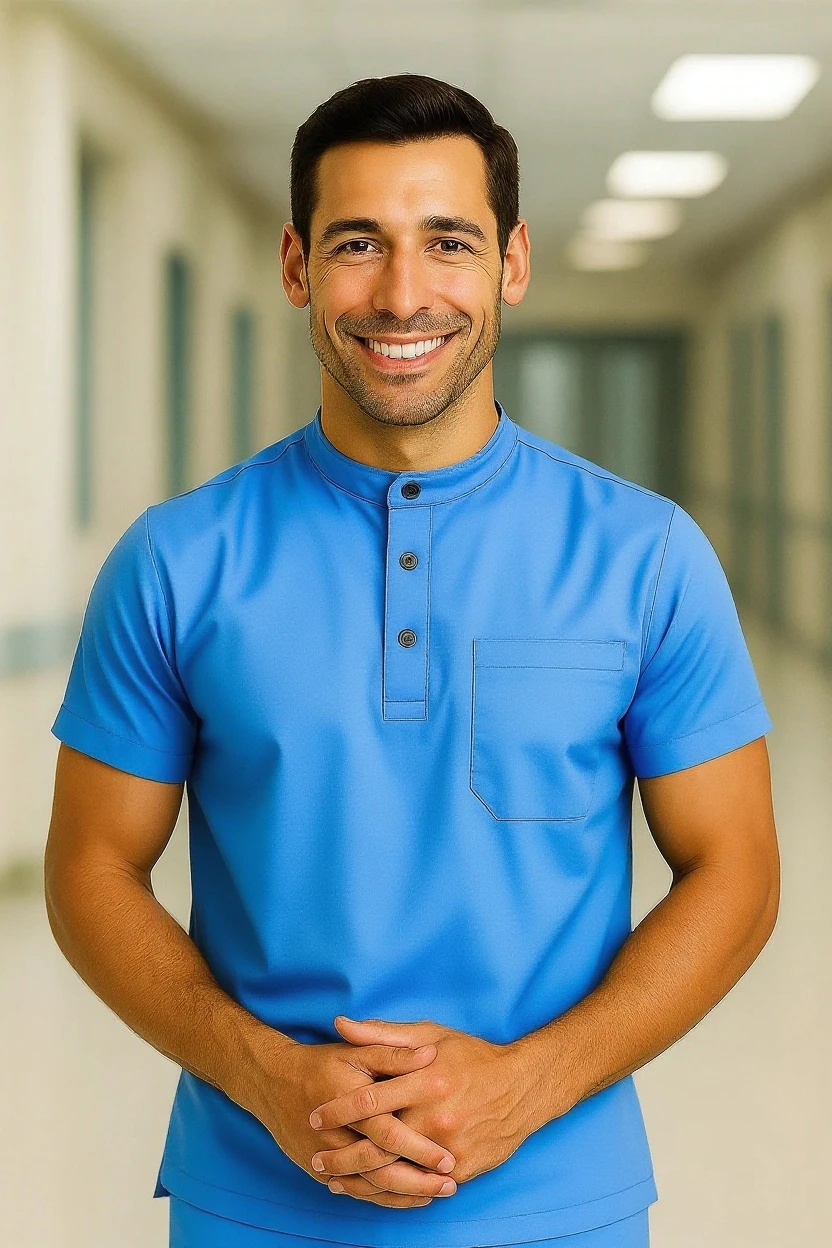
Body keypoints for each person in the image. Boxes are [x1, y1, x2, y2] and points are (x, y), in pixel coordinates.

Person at [44, 74, 780, 1248]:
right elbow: (89, 870)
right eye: (356, 244)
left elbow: (735, 870)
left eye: (448, 241)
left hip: (557, 1204)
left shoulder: (645, 557)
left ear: (512, 262)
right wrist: (269, 1077)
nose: (402, 293)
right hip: (254, 1200)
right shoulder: (178, 560)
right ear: (295, 266)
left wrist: (525, 1085)